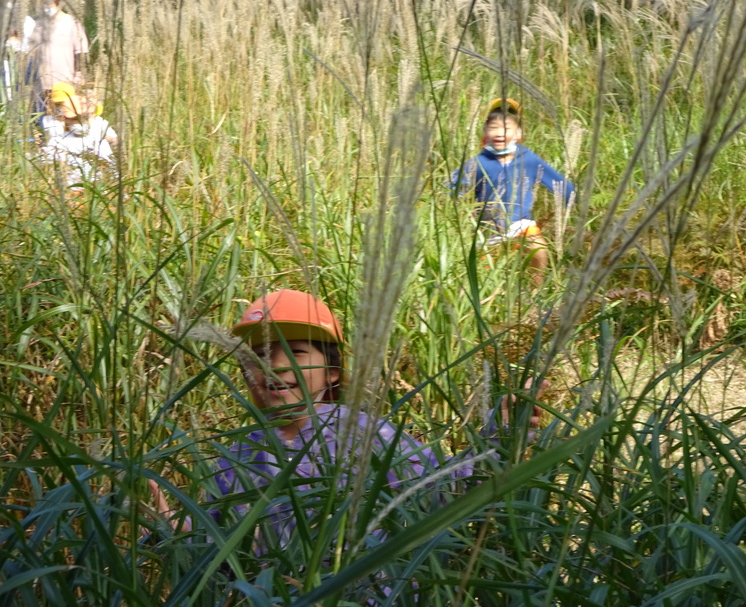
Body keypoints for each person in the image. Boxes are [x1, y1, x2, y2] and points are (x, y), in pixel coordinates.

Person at [150, 289, 545, 547]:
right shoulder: (240, 452)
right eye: (261, 354)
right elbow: (215, 537)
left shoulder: (360, 432)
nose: (274, 365)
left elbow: (442, 487)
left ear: (333, 373)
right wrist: (173, 527)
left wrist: (499, 436)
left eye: (297, 352)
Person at [452, 98, 575, 282]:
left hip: (520, 224)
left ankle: (535, 293)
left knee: (538, 249)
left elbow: (561, 185)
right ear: (485, 133)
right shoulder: (478, 163)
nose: (500, 133)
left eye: (506, 128)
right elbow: (453, 187)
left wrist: (575, 198)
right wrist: (454, 200)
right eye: (493, 127)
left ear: (518, 133)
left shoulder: (529, 160)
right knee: (485, 277)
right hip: (488, 229)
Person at [40, 81, 117, 188]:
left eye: (81, 118)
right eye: (73, 119)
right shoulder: (58, 140)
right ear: (65, 119)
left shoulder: (99, 141)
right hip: (70, 191)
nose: (77, 122)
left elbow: (112, 169)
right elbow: (46, 166)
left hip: (95, 189)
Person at [27, 0, 89, 114]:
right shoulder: (39, 25)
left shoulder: (71, 23)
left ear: (57, 0)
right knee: (42, 124)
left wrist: (78, 76)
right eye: (42, 1)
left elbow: (81, 52)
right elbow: (32, 55)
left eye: (48, 1)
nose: (44, 5)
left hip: (64, 86)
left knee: (64, 122)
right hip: (41, 88)